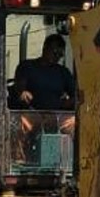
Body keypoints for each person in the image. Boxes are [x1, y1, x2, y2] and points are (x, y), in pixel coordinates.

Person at [11, 34, 76, 162]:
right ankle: (19, 160)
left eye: (60, 54)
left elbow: (75, 94)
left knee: (73, 123)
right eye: (55, 52)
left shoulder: (63, 72)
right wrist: (23, 92)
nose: (57, 56)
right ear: (45, 48)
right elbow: (19, 87)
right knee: (21, 123)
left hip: (56, 115)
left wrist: (71, 101)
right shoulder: (27, 67)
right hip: (34, 113)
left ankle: (67, 162)